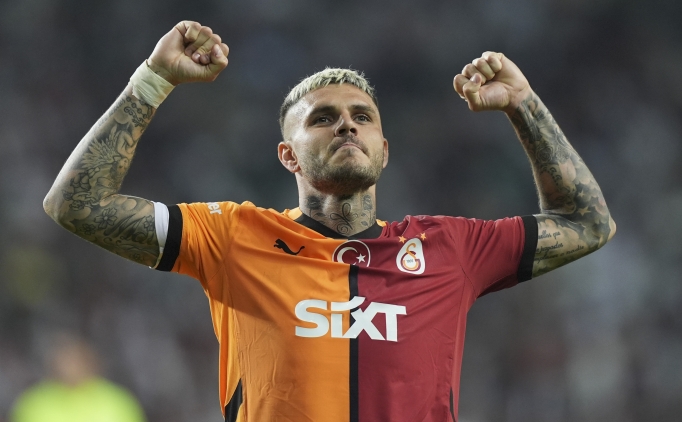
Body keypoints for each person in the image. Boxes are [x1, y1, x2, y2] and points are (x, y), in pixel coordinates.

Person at [43, 20, 615, 422]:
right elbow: (76, 204)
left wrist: (523, 103)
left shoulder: (451, 249)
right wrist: (153, 79)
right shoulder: (234, 237)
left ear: (384, 151)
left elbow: (588, 223)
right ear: (288, 156)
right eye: (323, 119)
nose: (347, 125)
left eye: (362, 117)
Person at [10, 333, 146, 422]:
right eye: (65, 360)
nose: (70, 366)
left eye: (75, 360)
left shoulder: (117, 401)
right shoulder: (33, 402)